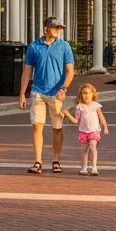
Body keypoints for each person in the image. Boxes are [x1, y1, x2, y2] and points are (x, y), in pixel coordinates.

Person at [19, 16, 76, 175]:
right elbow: (28, 71)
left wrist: (64, 88)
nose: (58, 31)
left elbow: (70, 70)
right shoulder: (34, 47)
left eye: (60, 28)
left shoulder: (64, 46)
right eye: (55, 28)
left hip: (57, 93)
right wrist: (22, 94)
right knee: (37, 125)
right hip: (38, 91)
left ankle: (56, 160)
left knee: (57, 127)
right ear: (46, 29)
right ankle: (38, 162)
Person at [62, 83, 108, 176]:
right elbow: (76, 121)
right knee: (84, 150)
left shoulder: (95, 105)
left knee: (92, 146)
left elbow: (101, 117)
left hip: (94, 130)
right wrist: (67, 114)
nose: (86, 95)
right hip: (83, 131)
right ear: (81, 95)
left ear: (92, 94)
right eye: (84, 93)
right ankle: (84, 167)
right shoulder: (80, 107)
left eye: (88, 93)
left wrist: (105, 127)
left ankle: (94, 167)